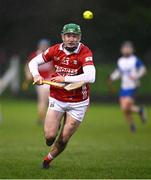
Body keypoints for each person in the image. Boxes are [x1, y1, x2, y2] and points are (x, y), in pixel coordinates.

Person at [28, 23, 96, 168]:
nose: (71, 39)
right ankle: (55, 125)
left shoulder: (84, 52)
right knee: (49, 136)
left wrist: (64, 78)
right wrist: (36, 75)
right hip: (57, 99)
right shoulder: (55, 50)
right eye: (68, 35)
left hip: (78, 102)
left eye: (75, 36)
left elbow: (91, 76)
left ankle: (47, 161)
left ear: (79, 37)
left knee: (64, 138)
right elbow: (34, 62)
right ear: (62, 37)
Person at [109, 41, 147, 132]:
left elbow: (143, 70)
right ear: (122, 50)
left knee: (126, 107)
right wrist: (112, 78)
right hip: (124, 87)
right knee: (124, 109)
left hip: (133, 86)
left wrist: (136, 76)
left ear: (132, 50)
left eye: (128, 48)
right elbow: (119, 72)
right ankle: (134, 122)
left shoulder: (135, 60)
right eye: (124, 48)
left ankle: (139, 111)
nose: (126, 50)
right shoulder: (120, 61)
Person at [23, 39, 53, 123]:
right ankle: (42, 118)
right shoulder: (35, 55)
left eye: (45, 45)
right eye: (42, 45)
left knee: (48, 100)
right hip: (40, 81)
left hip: (49, 80)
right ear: (39, 46)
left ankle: (44, 118)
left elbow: (53, 67)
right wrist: (28, 74)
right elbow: (28, 65)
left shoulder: (50, 54)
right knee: (43, 100)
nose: (44, 47)